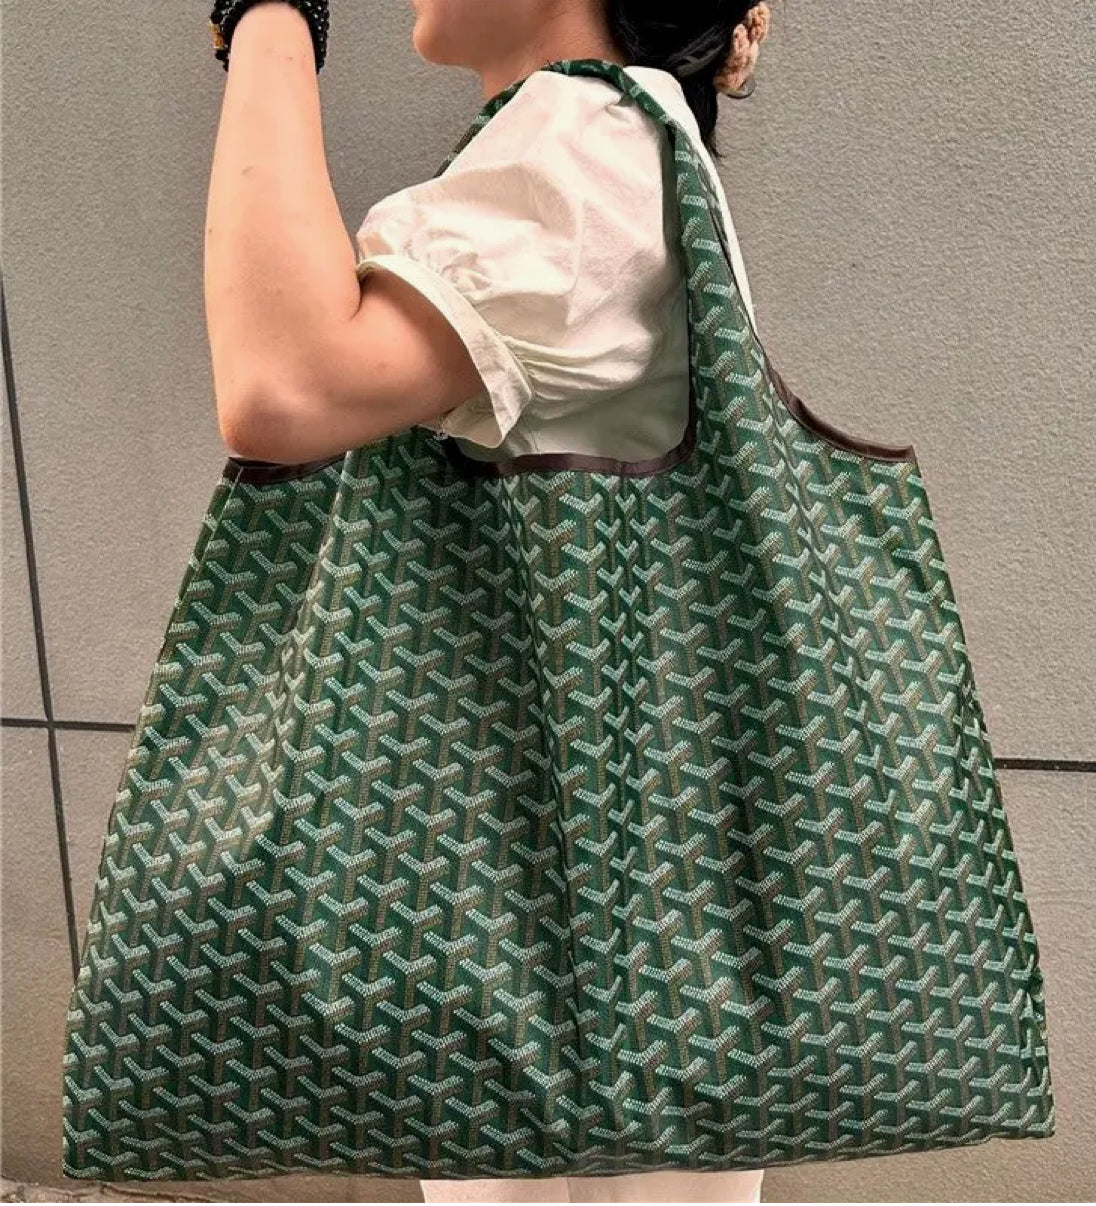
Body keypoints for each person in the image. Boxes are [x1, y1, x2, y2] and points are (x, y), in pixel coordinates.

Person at [204, 0, 772, 1200]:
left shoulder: (581, 147)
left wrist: (268, 20)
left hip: (562, 914)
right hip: (605, 895)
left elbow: (283, 384)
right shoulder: (614, 138)